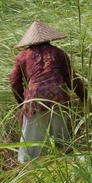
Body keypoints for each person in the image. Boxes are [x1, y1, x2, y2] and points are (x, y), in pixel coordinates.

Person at [10, 21, 86, 163]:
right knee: (62, 141)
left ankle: (28, 172)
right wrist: (85, 98)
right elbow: (72, 79)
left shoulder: (22, 56)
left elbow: (14, 83)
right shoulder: (58, 53)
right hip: (59, 96)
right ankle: (68, 164)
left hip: (34, 99)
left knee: (29, 149)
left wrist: (22, 104)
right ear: (49, 37)